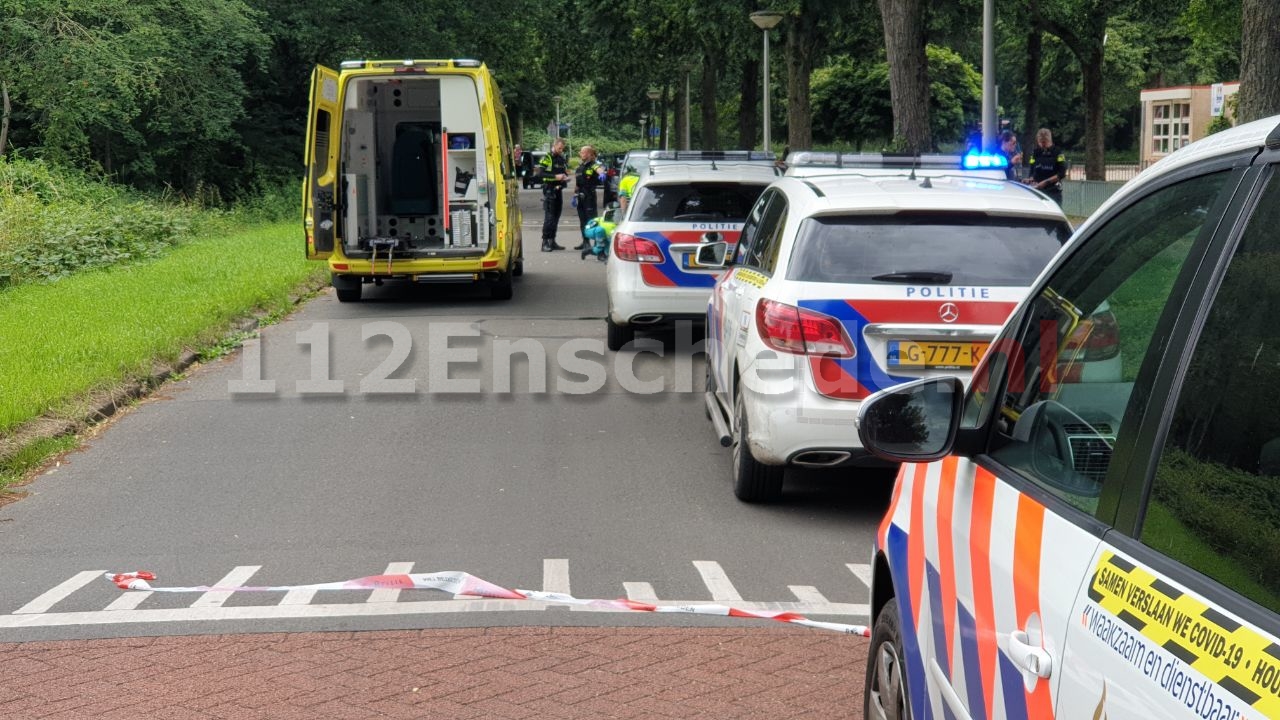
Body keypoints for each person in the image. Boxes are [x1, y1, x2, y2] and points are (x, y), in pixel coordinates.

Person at [538, 138, 570, 251]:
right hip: (549, 189)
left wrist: (566, 177)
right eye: (559, 148)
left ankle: (552, 241)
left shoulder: (561, 158)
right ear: (554, 145)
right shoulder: (547, 157)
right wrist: (555, 177)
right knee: (550, 217)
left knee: (556, 216)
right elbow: (540, 174)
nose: (561, 150)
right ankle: (545, 242)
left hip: (558, 190)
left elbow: (564, 172)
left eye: (562, 148)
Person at [574, 145, 604, 253]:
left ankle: (597, 243)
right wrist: (574, 195)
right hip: (580, 196)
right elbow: (577, 184)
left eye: (583, 152)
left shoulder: (593, 165)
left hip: (589, 196)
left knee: (591, 220)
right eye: (581, 152)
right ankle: (585, 242)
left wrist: (602, 174)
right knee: (582, 221)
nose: (580, 154)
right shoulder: (580, 167)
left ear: (589, 154)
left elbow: (599, 169)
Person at [1026, 127, 1066, 205]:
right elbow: (1032, 170)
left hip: (1053, 191)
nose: (1043, 145)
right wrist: (1030, 179)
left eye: (1045, 143)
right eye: (1041, 143)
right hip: (1037, 191)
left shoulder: (1058, 152)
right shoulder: (1035, 153)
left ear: (1049, 140)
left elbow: (1062, 173)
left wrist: (1045, 182)